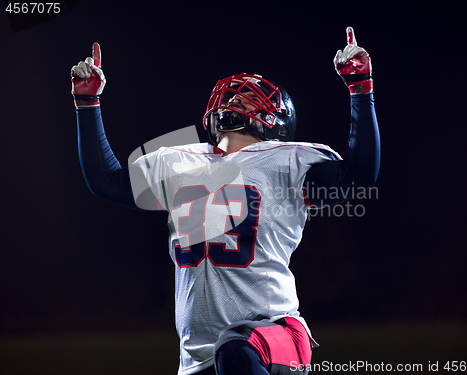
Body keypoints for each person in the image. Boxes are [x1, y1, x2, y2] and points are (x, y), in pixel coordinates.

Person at [71, 26, 380, 375]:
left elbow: (358, 176)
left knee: (234, 348)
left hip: (275, 335)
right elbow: (105, 181)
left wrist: (360, 89)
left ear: (274, 120)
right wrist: (87, 104)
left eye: (247, 99)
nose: (235, 99)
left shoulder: (286, 159)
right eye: (234, 97)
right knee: (229, 352)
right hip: (197, 359)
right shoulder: (179, 160)